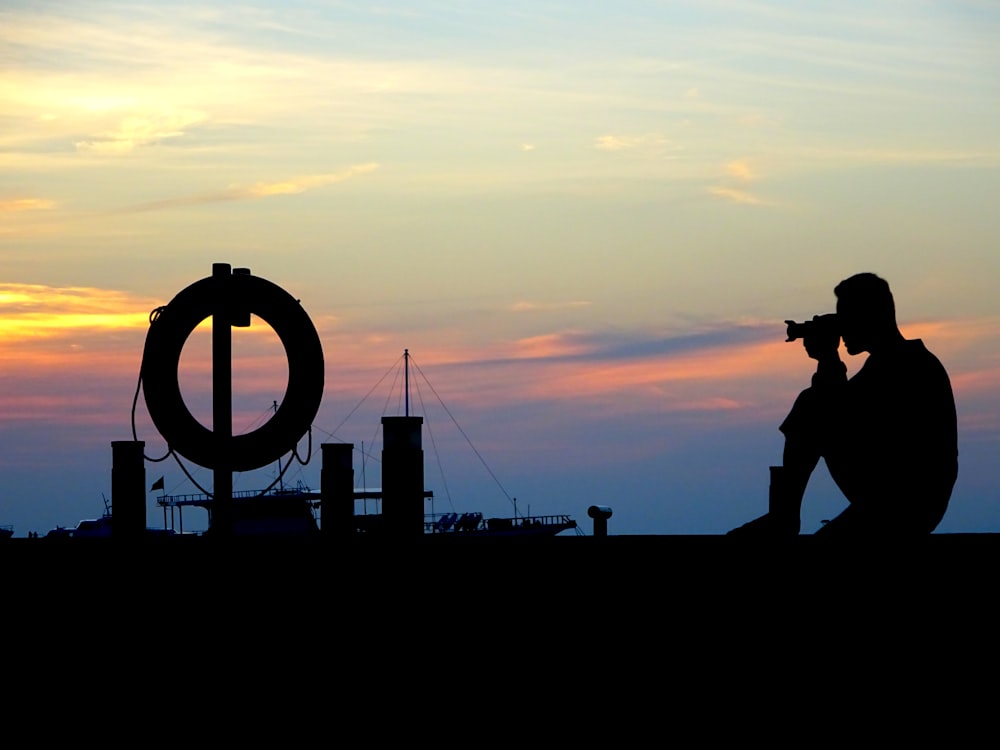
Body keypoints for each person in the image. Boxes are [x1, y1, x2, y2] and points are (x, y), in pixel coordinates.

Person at [729, 273, 958, 537]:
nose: (842, 329)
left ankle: (784, 517)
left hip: (904, 503)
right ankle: (783, 516)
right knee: (814, 402)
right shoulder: (894, 362)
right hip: (893, 498)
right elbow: (842, 408)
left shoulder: (906, 365)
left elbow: (837, 411)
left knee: (812, 403)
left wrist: (827, 357)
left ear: (870, 316)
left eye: (846, 318)